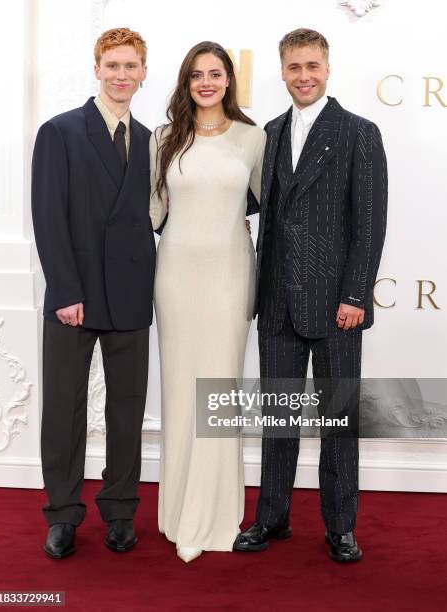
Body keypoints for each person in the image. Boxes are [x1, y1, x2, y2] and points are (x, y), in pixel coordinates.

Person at [233, 28, 388, 562]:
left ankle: (340, 526)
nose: (304, 75)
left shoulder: (358, 132)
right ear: (282, 71)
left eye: (313, 66)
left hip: (336, 306)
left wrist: (355, 295)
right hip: (276, 301)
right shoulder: (269, 133)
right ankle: (271, 518)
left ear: (327, 68)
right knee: (278, 420)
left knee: (338, 422)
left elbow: (369, 226)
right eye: (295, 66)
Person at [31, 27, 153, 559]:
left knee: (127, 409)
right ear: (96, 69)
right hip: (73, 296)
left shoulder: (152, 139)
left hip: (129, 293)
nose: (121, 74)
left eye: (131, 66)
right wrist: (63, 289)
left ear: (144, 72)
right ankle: (62, 514)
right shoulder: (59, 132)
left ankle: (121, 509)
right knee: (63, 409)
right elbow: (47, 216)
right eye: (112, 65)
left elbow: (161, 212)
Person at [149, 41, 266, 562]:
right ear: (185, 81)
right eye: (196, 74)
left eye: (215, 74)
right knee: (180, 390)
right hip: (175, 277)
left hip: (229, 276)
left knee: (218, 393)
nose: (206, 82)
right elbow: (152, 213)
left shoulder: (253, 138)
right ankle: (177, 512)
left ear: (228, 81)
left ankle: (213, 516)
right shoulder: (164, 138)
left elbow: (266, 203)